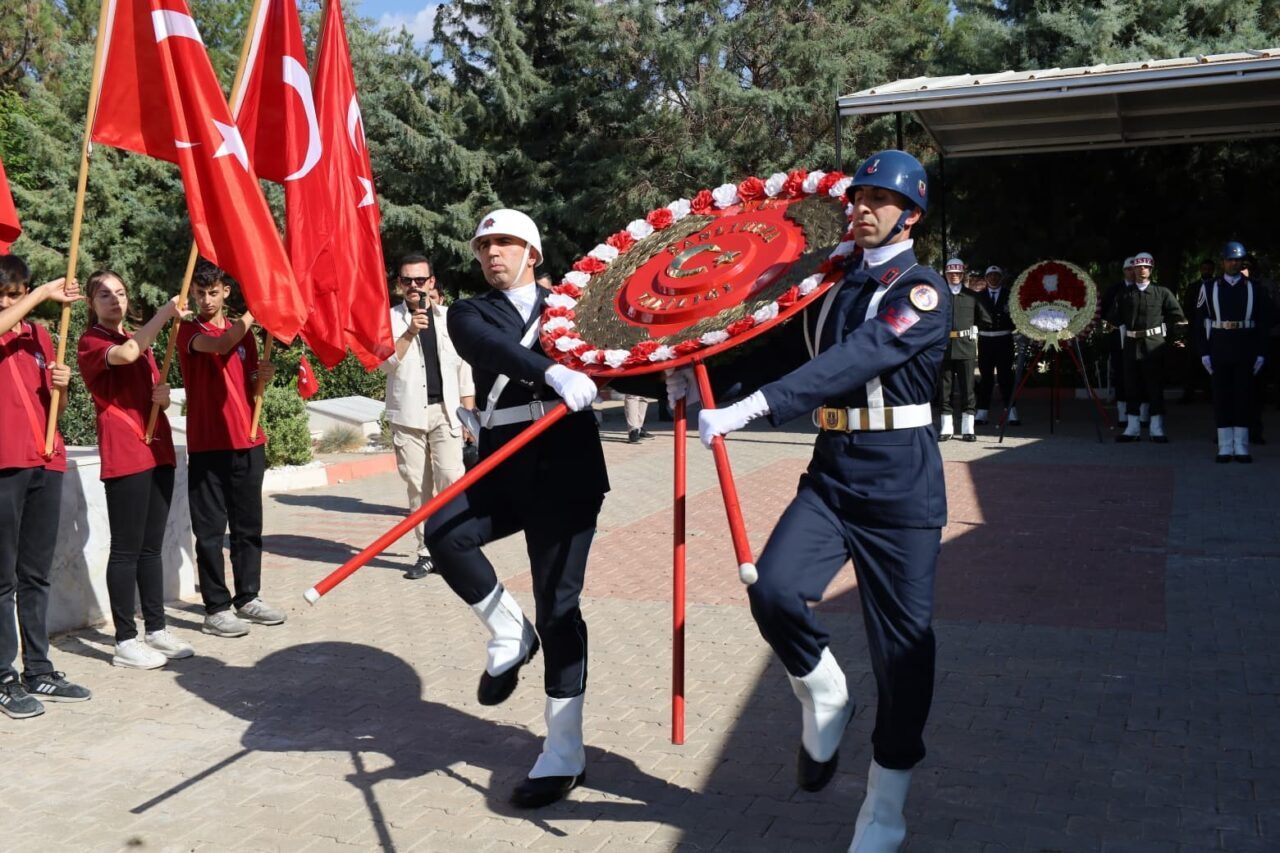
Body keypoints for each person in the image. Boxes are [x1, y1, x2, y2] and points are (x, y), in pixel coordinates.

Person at [669, 150, 948, 852]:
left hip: (899, 483)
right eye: (859, 195)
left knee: (903, 652)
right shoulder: (833, 283)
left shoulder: (922, 292)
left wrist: (754, 410)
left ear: (910, 213)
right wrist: (689, 383)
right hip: (833, 471)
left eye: (881, 199)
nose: (863, 207)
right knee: (775, 591)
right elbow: (777, 353)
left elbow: (852, 360)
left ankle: (884, 810)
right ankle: (824, 691)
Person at [426, 209, 605, 808]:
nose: (490, 254)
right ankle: (508, 631)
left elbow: (625, 360)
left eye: (503, 243)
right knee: (445, 532)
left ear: (533, 251)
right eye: (483, 246)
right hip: (504, 461)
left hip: (567, 466)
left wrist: (673, 381)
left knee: (559, 605)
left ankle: (563, 751)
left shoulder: (576, 306)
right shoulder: (469, 311)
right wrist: (552, 369)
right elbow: (490, 348)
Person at [78, 271, 195, 669]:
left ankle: (156, 629)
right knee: (126, 549)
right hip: (126, 452)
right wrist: (165, 312)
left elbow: (145, 383)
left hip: (157, 447)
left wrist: (161, 399)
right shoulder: (93, 342)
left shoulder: (136, 339)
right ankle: (125, 640)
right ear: (91, 304)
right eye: (104, 295)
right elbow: (127, 354)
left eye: (121, 293)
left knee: (151, 547)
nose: (115, 300)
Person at [0, 256, 91, 717]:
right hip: (4, 464)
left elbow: (54, 399)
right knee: (1, 579)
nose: (8, 302)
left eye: (15, 293)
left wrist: (62, 384)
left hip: (45, 458)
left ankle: (38, 668)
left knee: (35, 574)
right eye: (3, 296)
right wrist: (37, 297)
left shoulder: (38, 335)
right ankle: (2, 676)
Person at [176, 261, 285, 637]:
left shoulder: (246, 335)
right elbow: (221, 345)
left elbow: (249, 384)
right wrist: (262, 308)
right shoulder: (188, 329)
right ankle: (216, 608)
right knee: (209, 531)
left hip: (248, 439)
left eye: (213, 292)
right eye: (200, 293)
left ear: (226, 293)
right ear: (193, 294)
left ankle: (248, 597)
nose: (206, 299)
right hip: (209, 443)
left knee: (247, 526)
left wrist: (261, 379)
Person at [380, 254, 475, 580]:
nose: (415, 286)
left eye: (421, 280)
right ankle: (425, 553)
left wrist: (469, 413)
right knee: (418, 489)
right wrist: (408, 333)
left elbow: (464, 367)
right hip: (408, 416)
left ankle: (457, 547)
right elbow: (385, 364)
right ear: (399, 285)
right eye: (408, 280)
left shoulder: (450, 318)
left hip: (447, 412)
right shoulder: (388, 320)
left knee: (452, 480)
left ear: (432, 283)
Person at [1196, 241, 1270, 462]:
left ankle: (1242, 446)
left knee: (1243, 397)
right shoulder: (1209, 288)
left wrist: (1261, 352)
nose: (1234, 263)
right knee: (1222, 397)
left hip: (1245, 347)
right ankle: (1225, 446)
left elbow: (1263, 324)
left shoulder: (1254, 288)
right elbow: (1200, 323)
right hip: (1219, 346)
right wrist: (1204, 353)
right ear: (1223, 262)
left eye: (1238, 260)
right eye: (1230, 259)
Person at [1106, 252, 1186, 443]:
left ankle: (1156, 428)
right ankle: (1132, 428)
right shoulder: (1124, 294)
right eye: (1138, 267)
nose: (1142, 270)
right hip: (1131, 344)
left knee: (1154, 386)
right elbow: (1113, 319)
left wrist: (1177, 338)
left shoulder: (1162, 292)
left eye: (1145, 267)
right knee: (1131, 386)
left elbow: (1178, 317)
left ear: (1151, 270)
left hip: (1154, 345)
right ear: (1132, 269)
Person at [938, 258, 990, 441]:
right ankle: (946, 428)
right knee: (945, 390)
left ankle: (968, 428)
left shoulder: (972, 296)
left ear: (962, 275)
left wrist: (974, 328)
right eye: (951, 273)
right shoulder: (938, 295)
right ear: (946, 274)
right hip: (944, 347)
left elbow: (985, 319)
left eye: (957, 274)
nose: (954, 276)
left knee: (968, 388)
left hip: (965, 347)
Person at [976, 264, 1018, 426]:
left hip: (1004, 340)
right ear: (986, 278)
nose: (993, 278)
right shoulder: (978, 296)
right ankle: (982, 412)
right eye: (990, 276)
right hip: (985, 340)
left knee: (1006, 377)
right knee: (986, 378)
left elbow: (1015, 317)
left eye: (996, 276)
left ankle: (1011, 412)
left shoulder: (1010, 296)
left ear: (1001, 278)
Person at [1100, 258, 1136, 422]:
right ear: (1124, 271)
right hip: (1118, 337)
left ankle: (1141, 412)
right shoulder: (1114, 290)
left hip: (1139, 337)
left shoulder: (1145, 289)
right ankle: (1122, 412)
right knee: (1120, 373)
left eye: (1135, 269)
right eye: (1129, 269)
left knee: (1139, 374)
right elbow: (1104, 312)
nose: (1132, 272)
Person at [1180, 260, 1216, 404]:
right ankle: (1188, 394)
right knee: (1192, 363)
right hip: (1196, 330)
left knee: (1212, 363)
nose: (1206, 271)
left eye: (1209, 269)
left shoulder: (1217, 286)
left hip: (1213, 330)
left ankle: (1210, 394)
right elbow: (1187, 307)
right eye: (1204, 269)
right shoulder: (1193, 287)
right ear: (1201, 269)